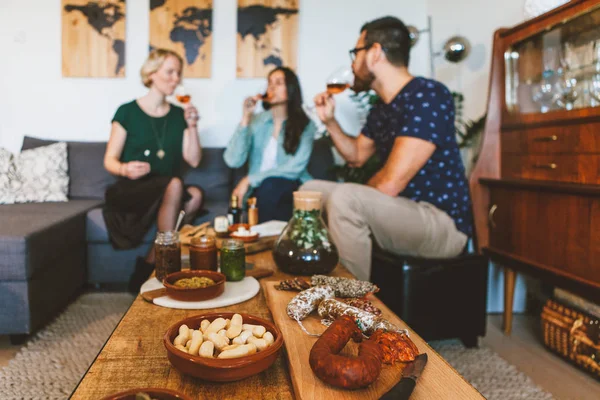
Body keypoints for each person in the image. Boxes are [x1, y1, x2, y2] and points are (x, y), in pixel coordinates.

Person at [301, 16, 472, 281]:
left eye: (356, 53)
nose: (352, 63)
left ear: (375, 53)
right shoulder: (381, 108)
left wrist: (349, 199)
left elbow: (390, 184)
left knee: (346, 198)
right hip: (402, 209)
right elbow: (356, 156)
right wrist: (330, 121)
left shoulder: (427, 95)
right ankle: (312, 278)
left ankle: (350, 307)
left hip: (440, 222)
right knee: (310, 191)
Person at [103, 48, 203, 293]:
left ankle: (151, 263)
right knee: (176, 184)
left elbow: (194, 160)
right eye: (169, 71)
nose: (175, 78)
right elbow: (110, 160)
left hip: (167, 187)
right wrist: (125, 169)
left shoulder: (180, 114)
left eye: (178, 73)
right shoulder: (127, 111)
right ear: (151, 73)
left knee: (196, 195)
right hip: (133, 187)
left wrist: (192, 127)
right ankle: (166, 268)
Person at [224, 66, 317, 222]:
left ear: (291, 89)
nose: (272, 87)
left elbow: (295, 168)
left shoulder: (306, 125)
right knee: (268, 189)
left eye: (279, 83)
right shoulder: (257, 121)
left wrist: (249, 179)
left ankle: (268, 239)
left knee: (272, 185)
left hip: (292, 187)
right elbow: (233, 160)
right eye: (269, 82)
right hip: (259, 192)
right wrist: (246, 119)